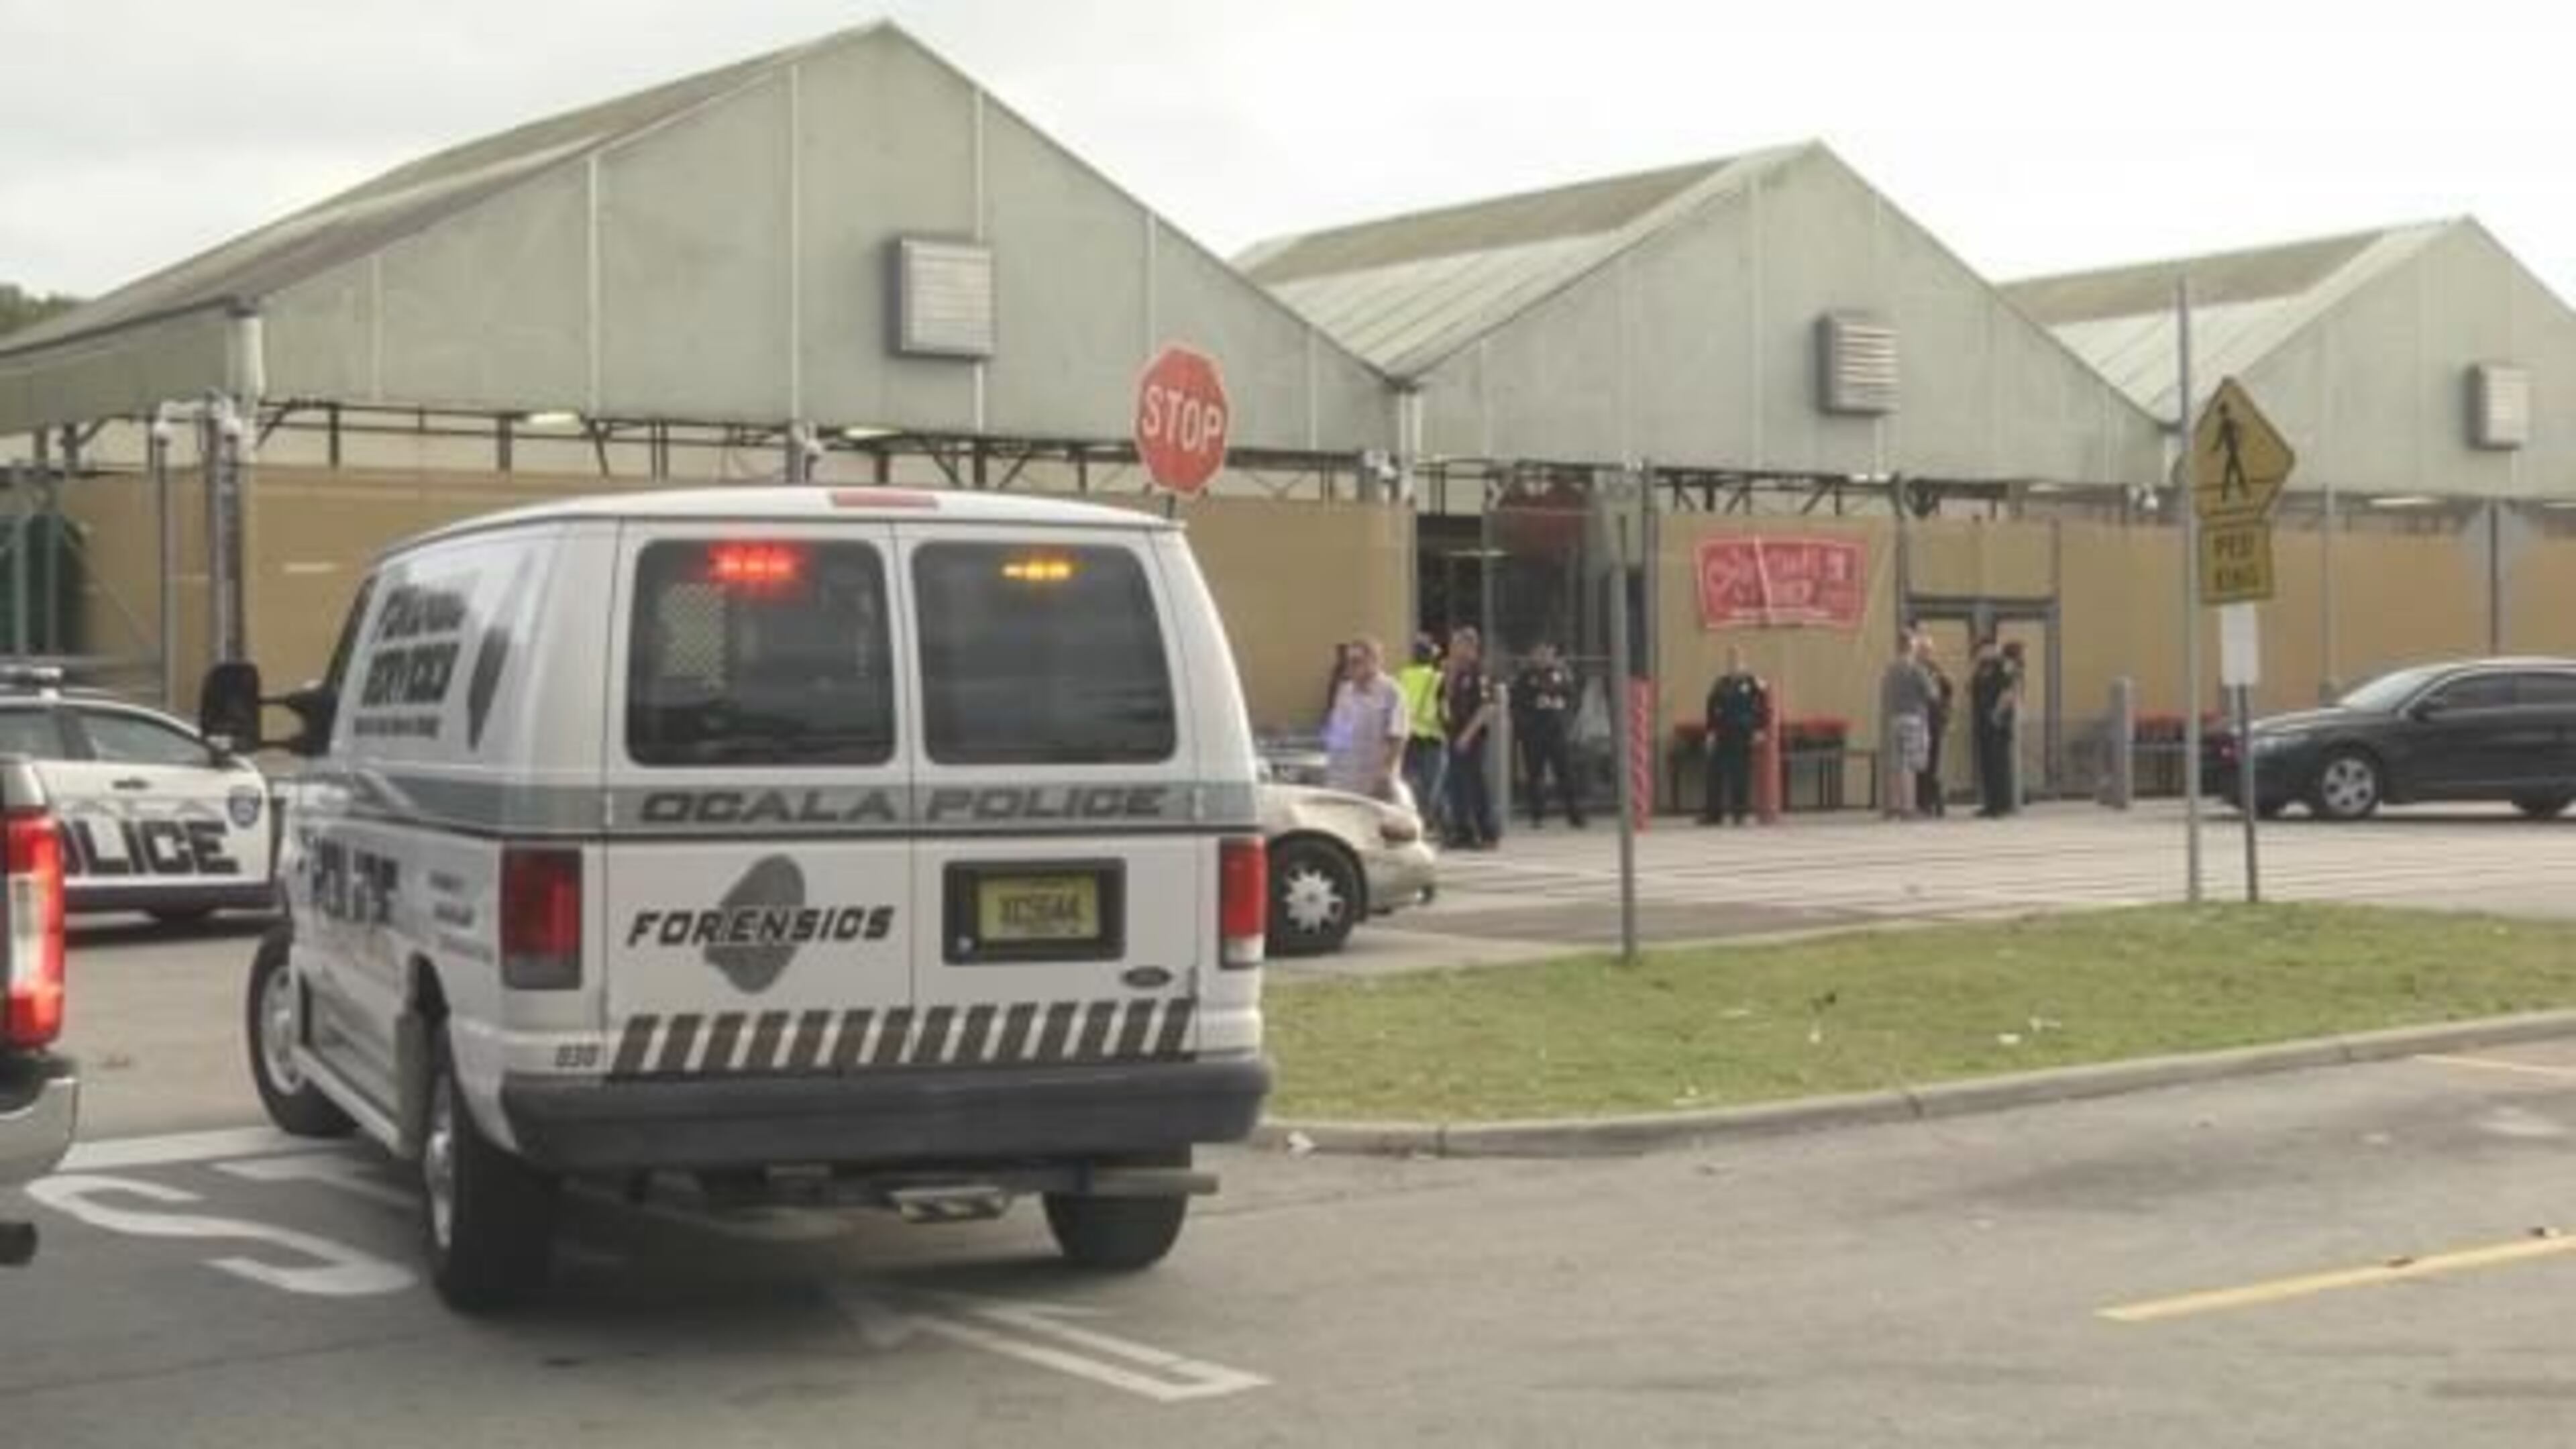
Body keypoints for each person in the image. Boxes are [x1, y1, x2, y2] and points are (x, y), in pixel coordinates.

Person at [1323, 637, 1407, 803]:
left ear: (1375, 662)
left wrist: (1386, 773)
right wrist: (1331, 766)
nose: (1350, 667)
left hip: (1374, 784)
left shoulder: (1392, 692)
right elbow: (1338, 733)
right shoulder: (1345, 691)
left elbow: (1398, 736)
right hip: (1343, 781)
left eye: (1357, 661)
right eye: (1348, 662)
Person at [1513, 642, 1585, 828]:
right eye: (1540, 653)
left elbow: (1572, 697)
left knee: (1565, 773)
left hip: (1556, 732)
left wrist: (1567, 719)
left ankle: (1574, 815)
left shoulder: (1560, 674)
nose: (1544, 657)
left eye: (1548, 654)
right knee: (1535, 775)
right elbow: (1517, 703)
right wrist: (1525, 726)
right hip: (1534, 733)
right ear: (1533, 655)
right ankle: (1537, 815)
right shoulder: (1525, 677)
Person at [1442, 627, 1501, 850]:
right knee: (1456, 784)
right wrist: (1450, 675)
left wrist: (1468, 734)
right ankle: (1462, 831)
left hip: (1473, 735)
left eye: (1457, 645)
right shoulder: (1456, 672)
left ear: (1470, 647)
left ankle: (1488, 833)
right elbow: (1446, 700)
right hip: (1454, 732)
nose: (1452, 650)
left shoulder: (1480, 672)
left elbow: (1488, 706)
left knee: (1476, 784)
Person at [1701, 647, 1770, 826]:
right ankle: (1713, 814)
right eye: (1731, 660)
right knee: (1714, 773)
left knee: (1739, 774)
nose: (1733, 664)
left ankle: (1740, 813)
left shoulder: (1753, 682)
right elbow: (1711, 708)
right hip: (1721, 732)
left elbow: (1764, 705)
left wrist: (1760, 729)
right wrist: (1710, 732)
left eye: (1737, 660)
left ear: (1743, 663)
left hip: (1742, 733)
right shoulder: (1721, 683)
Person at [1395, 634, 1449, 834]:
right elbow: (1444, 709)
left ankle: (1412, 820)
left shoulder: (1402, 676)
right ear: (1431, 656)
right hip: (1432, 736)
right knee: (1434, 785)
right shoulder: (1437, 678)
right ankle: (1433, 823)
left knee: (1408, 783)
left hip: (1408, 736)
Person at [1880, 629, 1934, 820]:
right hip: (1913, 718)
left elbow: (1885, 694)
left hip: (1894, 719)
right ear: (1911, 646)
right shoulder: (1916, 669)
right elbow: (1932, 694)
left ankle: (1892, 807)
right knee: (1908, 765)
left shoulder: (1889, 669)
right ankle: (1908, 808)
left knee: (1894, 764)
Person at [1970, 637, 2023, 818]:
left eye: (1983, 650)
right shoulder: (1981, 669)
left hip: (1997, 723)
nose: (1979, 654)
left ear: (1992, 649)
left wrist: (1997, 714)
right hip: (1983, 722)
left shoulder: (2003, 666)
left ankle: (2002, 804)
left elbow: (2009, 692)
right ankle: (1990, 804)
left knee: (1999, 764)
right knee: (1987, 765)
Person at [1915, 633, 1955, 818]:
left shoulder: (1937, 669)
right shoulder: (1913, 669)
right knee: (1920, 763)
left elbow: (1949, 692)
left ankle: (1934, 802)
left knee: (1934, 763)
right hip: (1919, 721)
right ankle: (1923, 801)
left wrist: (1947, 715)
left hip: (1934, 721)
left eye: (1927, 650)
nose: (1925, 654)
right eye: (1922, 650)